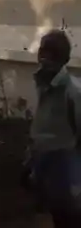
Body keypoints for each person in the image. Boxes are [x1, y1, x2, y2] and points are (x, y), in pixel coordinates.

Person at [30, 29, 81, 227]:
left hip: (65, 163)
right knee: (56, 213)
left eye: (51, 53)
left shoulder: (73, 92)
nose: (44, 57)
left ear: (63, 58)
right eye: (42, 51)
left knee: (71, 215)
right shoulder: (43, 82)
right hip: (44, 161)